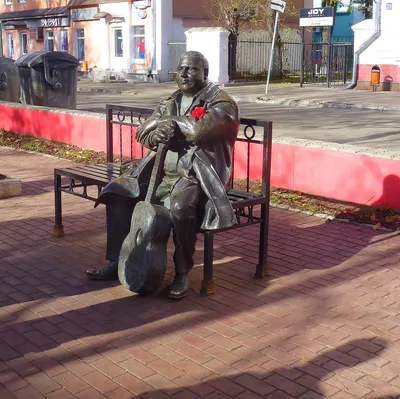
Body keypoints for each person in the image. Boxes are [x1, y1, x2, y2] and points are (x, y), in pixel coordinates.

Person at [86, 51, 240, 299]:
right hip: (159, 171)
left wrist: (168, 122)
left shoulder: (222, 103)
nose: (184, 74)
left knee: (180, 207)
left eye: (192, 69)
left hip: (196, 175)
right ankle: (118, 260)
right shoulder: (173, 99)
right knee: (118, 192)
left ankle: (182, 272)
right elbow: (143, 132)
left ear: (205, 73)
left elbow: (200, 131)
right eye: (181, 69)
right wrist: (154, 135)